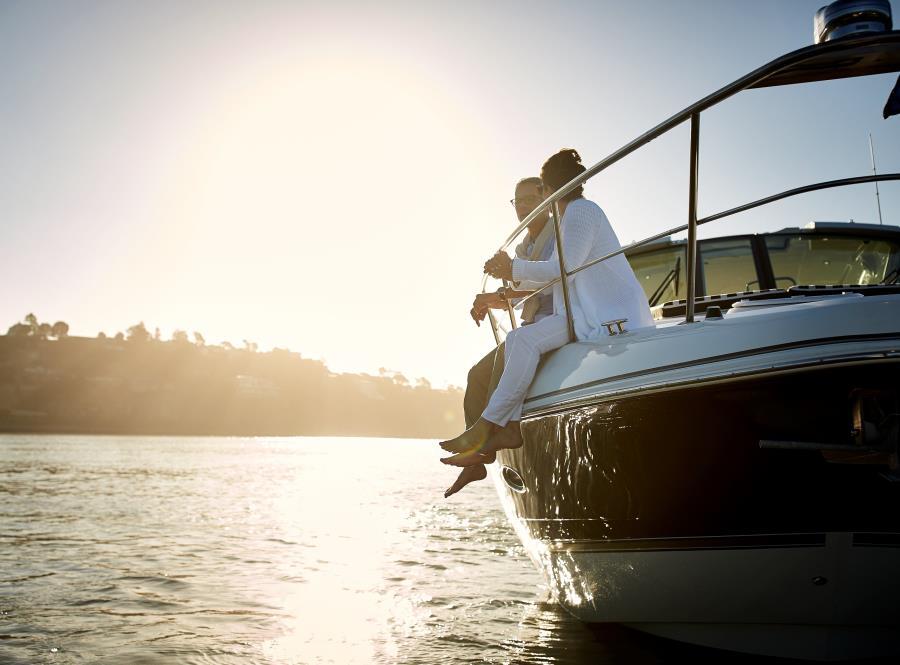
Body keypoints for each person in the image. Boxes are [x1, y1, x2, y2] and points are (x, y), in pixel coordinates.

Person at [439, 148, 654, 468]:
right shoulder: (571, 215)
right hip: (582, 314)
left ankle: (489, 426)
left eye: (541, 191)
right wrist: (509, 282)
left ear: (550, 190)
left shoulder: (581, 211)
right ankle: (502, 427)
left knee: (520, 341)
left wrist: (513, 270)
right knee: (518, 340)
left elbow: (560, 269)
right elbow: (559, 276)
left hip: (609, 315)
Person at [444, 177, 556, 498]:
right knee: (476, 376)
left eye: (529, 199)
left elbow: (549, 279)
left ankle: (491, 442)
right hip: (530, 327)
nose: (522, 206)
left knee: (499, 367)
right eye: (517, 201)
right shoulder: (523, 247)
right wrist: (490, 298)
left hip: (552, 324)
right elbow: (519, 291)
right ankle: (475, 461)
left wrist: (505, 280)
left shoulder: (558, 238)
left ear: (546, 199)